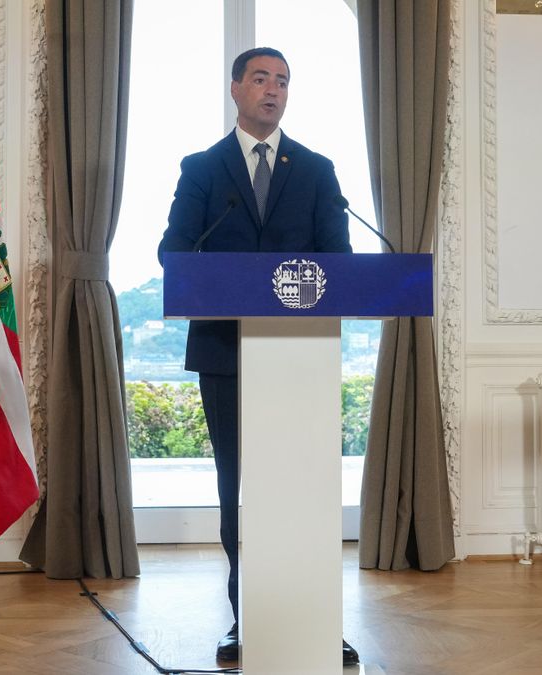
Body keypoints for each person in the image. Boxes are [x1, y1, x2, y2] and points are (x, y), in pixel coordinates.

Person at [157, 47, 359, 666]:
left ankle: (317, 621)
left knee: (306, 492)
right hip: (225, 354)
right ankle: (248, 622)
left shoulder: (318, 170)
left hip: (302, 357)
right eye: (262, 79)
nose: (274, 90)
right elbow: (173, 254)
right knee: (235, 492)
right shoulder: (202, 169)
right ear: (237, 89)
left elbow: (341, 263)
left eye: (284, 82)